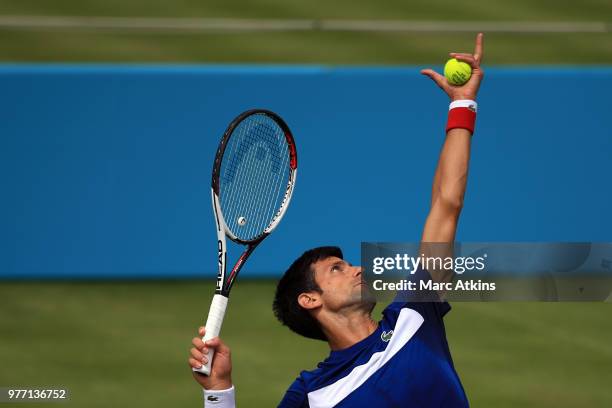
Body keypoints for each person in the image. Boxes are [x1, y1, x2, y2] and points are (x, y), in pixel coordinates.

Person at [189, 33, 485, 408]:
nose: (358, 269)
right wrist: (219, 391)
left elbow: (447, 204)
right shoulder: (311, 394)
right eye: (337, 268)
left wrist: (463, 104)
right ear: (310, 299)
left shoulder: (415, 314)